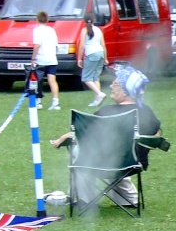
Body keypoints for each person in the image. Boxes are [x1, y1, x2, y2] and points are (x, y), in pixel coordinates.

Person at [50, 64, 159, 208]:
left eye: (117, 84)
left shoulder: (107, 112)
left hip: (105, 165)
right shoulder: (146, 112)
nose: (112, 86)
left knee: (80, 152)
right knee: (118, 152)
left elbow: (81, 134)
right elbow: (157, 136)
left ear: (126, 91)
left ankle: (85, 200)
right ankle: (128, 199)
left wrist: (60, 140)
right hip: (133, 164)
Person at [31, 11, 60, 110]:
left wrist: (33, 58)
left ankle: (38, 101)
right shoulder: (52, 30)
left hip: (41, 59)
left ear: (37, 20)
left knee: (38, 80)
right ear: (47, 20)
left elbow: (37, 45)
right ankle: (55, 102)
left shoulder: (37, 30)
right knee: (52, 80)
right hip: (52, 58)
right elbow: (56, 45)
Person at [77, 14, 107, 107]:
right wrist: (105, 58)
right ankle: (97, 100)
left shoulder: (84, 30)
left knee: (86, 78)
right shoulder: (98, 30)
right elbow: (103, 44)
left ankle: (99, 94)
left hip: (91, 54)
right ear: (94, 20)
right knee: (95, 78)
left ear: (84, 21)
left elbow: (82, 46)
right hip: (100, 53)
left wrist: (79, 58)